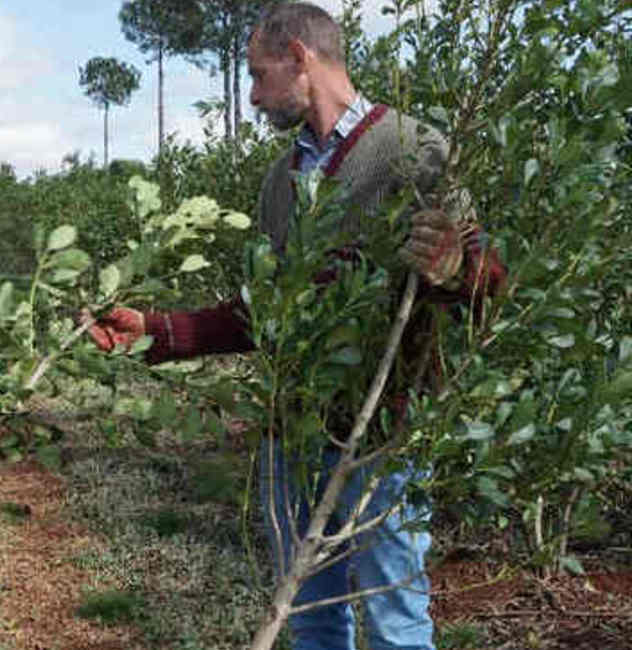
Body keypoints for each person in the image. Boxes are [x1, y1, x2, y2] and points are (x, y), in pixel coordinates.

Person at [87, 4, 507, 650]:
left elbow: (488, 284)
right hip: (293, 432)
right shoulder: (279, 183)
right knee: (311, 619)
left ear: (299, 57)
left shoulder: (414, 150)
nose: (253, 96)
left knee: (395, 623)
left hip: (380, 432)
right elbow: (262, 312)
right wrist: (154, 331)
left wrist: (457, 268)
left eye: (258, 75)